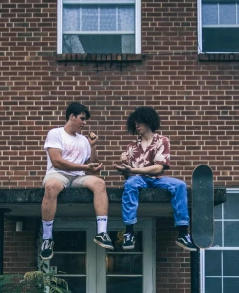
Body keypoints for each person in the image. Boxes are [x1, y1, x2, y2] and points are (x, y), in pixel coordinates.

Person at [113, 106, 197, 251]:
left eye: (140, 122)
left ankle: (183, 233)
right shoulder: (132, 146)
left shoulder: (162, 141)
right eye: (135, 123)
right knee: (130, 184)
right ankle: (129, 232)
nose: (137, 126)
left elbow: (158, 168)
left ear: (149, 122)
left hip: (157, 178)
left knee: (180, 185)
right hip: (137, 179)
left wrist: (133, 169)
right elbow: (129, 176)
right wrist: (125, 166)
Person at [40, 102, 112, 260]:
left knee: (100, 183)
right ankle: (47, 239)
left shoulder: (84, 140)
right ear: (72, 117)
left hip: (78, 177)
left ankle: (102, 233)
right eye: (82, 118)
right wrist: (85, 166)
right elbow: (57, 161)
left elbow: (95, 168)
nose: (84, 123)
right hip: (58, 174)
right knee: (51, 186)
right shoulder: (55, 133)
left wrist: (93, 147)